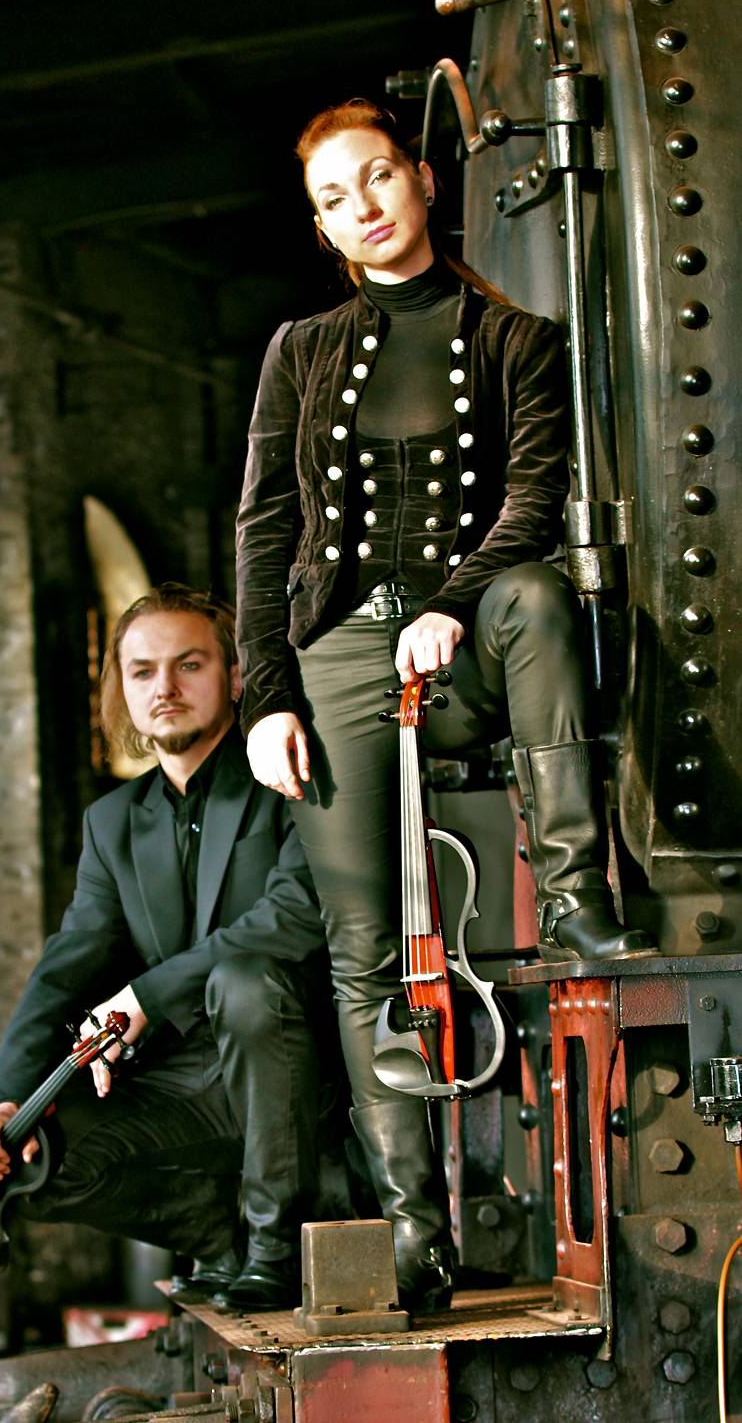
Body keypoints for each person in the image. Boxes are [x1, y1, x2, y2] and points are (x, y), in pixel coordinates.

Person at [235, 98, 657, 1311]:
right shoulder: (302, 350)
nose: (362, 206)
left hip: (466, 649)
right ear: (323, 227)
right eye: (333, 198)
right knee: (362, 951)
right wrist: (267, 694)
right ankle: (418, 1231)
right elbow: (266, 527)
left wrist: (455, 602)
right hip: (340, 656)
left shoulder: (516, 339)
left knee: (535, 593)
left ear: (422, 179)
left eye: (376, 177)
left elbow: (533, 496)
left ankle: (576, 896)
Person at [0, 584, 328, 1311]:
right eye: (142, 671)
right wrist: (4, 1103)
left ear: (234, 675)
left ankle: (278, 1249)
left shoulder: (288, 769)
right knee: (34, 1163)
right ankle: (220, 1238)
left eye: (188, 665)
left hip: (293, 1067)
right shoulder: (112, 823)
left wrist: (147, 997)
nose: (164, 688)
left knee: (244, 981)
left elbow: (295, 916)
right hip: (179, 1085)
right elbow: (68, 964)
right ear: (123, 690)